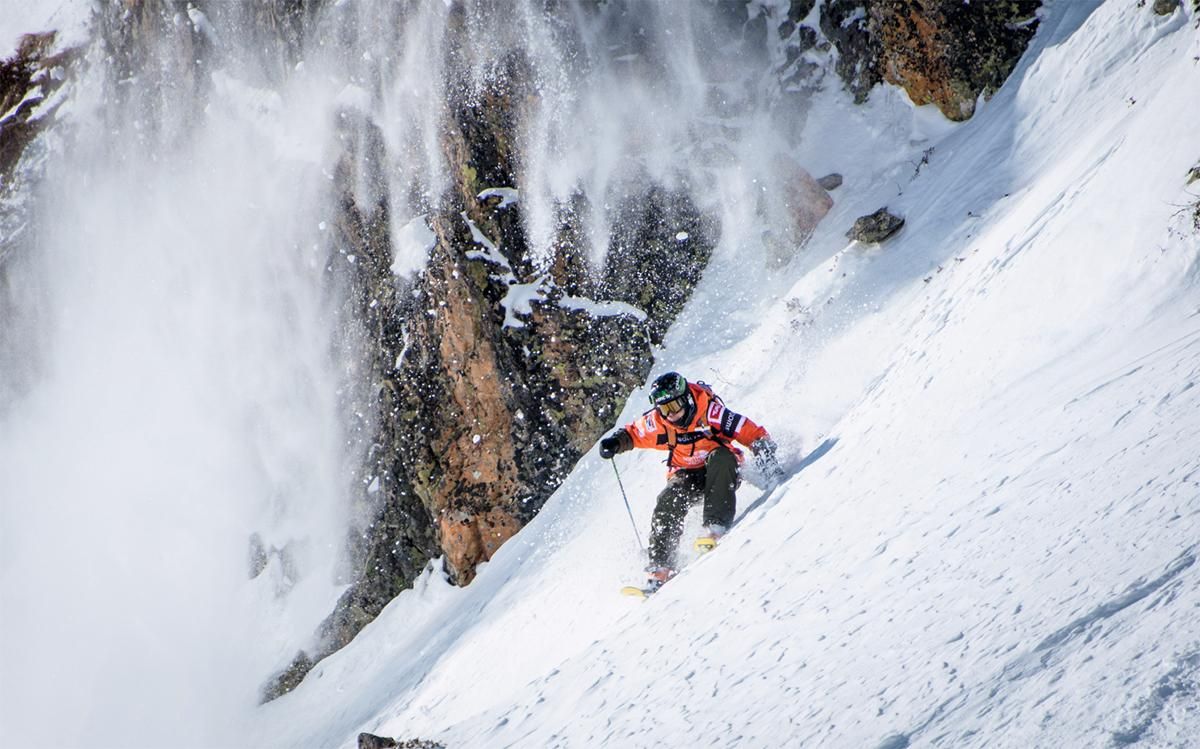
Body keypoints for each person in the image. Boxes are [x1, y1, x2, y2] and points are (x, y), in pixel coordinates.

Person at [599, 371, 783, 591]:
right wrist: (615, 442)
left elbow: (748, 430)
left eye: (674, 406)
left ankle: (715, 525)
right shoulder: (658, 422)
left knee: (722, 457)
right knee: (668, 498)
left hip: (720, 470)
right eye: (665, 409)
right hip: (686, 473)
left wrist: (766, 456)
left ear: (686, 397)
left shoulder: (711, 412)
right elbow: (633, 433)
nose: (671, 414)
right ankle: (661, 565)